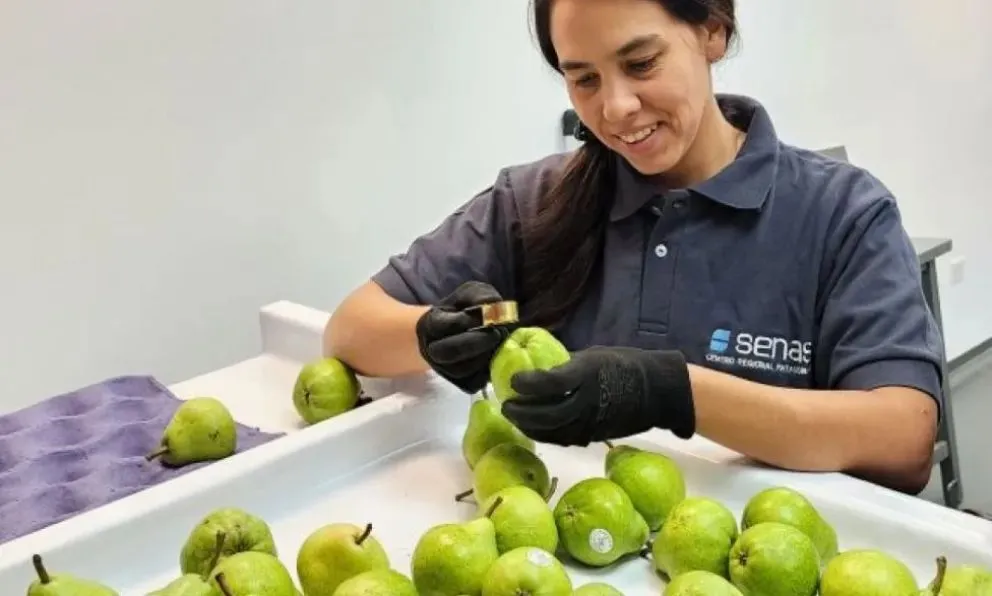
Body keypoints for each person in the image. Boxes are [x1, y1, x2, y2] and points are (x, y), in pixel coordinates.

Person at [323, 0, 943, 496]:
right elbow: (350, 330)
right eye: (584, 79)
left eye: (642, 63)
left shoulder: (842, 214)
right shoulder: (531, 201)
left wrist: (669, 392)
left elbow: (903, 438)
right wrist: (432, 334)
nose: (615, 108)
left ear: (713, 31)